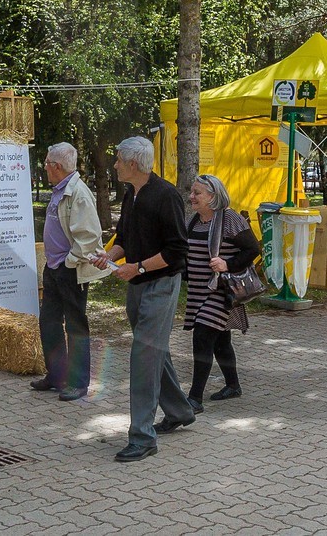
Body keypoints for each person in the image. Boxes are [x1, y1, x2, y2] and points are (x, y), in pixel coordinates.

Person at [90, 136, 193, 462]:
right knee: (153, 352)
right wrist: (107, 255)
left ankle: (142, 437)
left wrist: (139, 267)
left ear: (133, 163)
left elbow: (178, 250)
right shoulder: (131, 193)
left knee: (143, 357)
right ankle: (179, 411)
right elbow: (126, 237)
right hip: (137, 285)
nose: (115, 164)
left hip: (161, 285)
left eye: (119, 159)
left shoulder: (167, 196)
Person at [33, 142, 108, 402]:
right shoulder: (60, 189)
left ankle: (78, 383)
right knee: (49, 321)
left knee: (76, 326)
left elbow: (89, 236)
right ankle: (56, 376)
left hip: (70, 269)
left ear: (57, 167)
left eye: (46, 163)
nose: (44, 167)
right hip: (54, 267)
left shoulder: (78, 192)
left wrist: (70, 261)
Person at [182, 173, 261, 412]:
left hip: (221, 291)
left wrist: (227, 264)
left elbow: (252, 249)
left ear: (213, 196)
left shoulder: (230, 219)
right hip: (198, 291)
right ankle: (233, 385)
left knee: (203, 337)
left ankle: (194, 399)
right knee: (221, 342)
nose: (191, 197)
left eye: (197, 193)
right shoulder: (195, 220)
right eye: (192, 192)